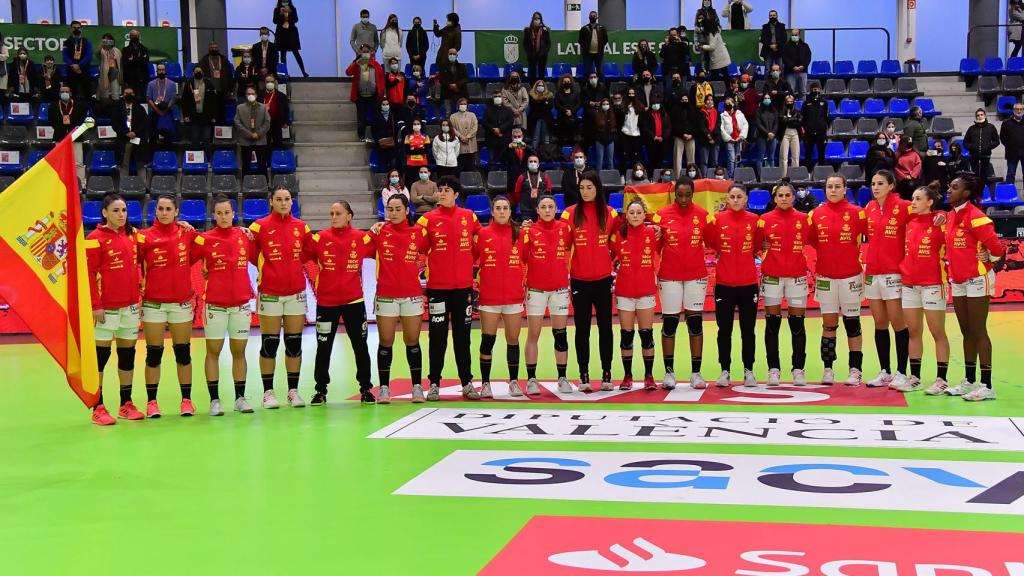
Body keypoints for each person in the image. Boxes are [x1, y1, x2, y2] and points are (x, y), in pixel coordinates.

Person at [417, 176, 482, 400]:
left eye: (447, 190)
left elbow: (478, 247)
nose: (443, 193)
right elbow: (417, 246)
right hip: (438, 290)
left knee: (463, 338)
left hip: (463, 289)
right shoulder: (426, 220)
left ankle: (467, 382)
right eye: (440, 190)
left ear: (456, 195)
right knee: (437, 337)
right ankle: (434, 382)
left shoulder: (469, 217)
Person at [304, 201, 374, 405]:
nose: (334, 217)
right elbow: (299, 254)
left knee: (360, 347)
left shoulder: (363, 238)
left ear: (349, 216)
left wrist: (380, 226)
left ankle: (366, 389)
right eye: (331, 213)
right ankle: (320, 390)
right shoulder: (320, 238)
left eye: (338, 213)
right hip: (326, 304)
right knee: (323, 348)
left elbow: (387, 242)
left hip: (354, 302)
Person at [136, 195, 198, 418]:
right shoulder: (143, 238)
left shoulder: (188, 233)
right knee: (154, 354)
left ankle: (187, 401)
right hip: (154, 304)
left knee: (183, 354)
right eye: (160, 208)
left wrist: (242, 230)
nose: (164, 212)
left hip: (181, 304)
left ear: (176, 211)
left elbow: (212, 241)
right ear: (155, 211)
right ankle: (152, 402)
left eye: (168, 209)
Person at [249, 187, 311, 409]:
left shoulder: (301, 227)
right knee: (269, 344)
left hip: (296, 293)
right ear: (271, 202)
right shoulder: (259, 226)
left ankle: (293, 391)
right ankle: (268, 393)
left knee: (294, 344)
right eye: (279, 199)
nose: (283, 203)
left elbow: (308, 251)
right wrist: (270, 271)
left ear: (291, 202)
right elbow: (249, 252)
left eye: (287, 199)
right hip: (270, 293)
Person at [193, 195, 255, 415]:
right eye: (219, 213)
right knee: (213, 351)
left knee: (239, 352)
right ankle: (214, 400)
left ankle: (240, 398)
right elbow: (183, 256)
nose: (223, 216)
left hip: (240, 305)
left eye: (227, 212)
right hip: (215, 306)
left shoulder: (245, 236)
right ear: (213, 215)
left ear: (233, 214)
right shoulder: (204, 239)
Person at [945, 175, 1004, 401]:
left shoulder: (977, 218)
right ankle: (969, 381)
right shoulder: (951, 216)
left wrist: (988, 258)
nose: (949, 190)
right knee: (966, 330)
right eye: (950, 186)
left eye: (954, 187)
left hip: (978, 278)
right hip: (958, 280)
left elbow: (998, 249)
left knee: (979, 330)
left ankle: (987, 385)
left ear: (967, 193)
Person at [86, 194, 143, 425]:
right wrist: (96, 305)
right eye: (116, 210)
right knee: (100, 359)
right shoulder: (93, 238)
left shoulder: (134, 235)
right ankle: (97, 407)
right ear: (104, 213)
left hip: (129, 307)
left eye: (124, 210)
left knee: (127, 357)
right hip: (105, 310)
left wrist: (183, 224)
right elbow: (88, 275)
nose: (121, 215)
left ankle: (125, 404)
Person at [561, 171, 619, 392]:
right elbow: (561, 243)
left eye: (589, 187)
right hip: (579, 281)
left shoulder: (610, 213)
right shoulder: (569, 214)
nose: (585, 192)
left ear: (598, 188)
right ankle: (583, 375)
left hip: (604, 281)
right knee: (582, 329)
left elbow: (619, 240)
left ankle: (607, 373)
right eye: (582, 187)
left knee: (606, 328)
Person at [652, 177, 713, 389]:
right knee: (670, 323)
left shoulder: (703, 215)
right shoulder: (661, 215)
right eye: (680, 195)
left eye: (688, 194)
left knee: (695, 323)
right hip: (669, 276)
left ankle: (696, 373)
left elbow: (715, 241)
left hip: (696, 276)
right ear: (674, 194)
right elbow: (653, 245)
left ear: (693, 194)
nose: (684, 199)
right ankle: (669, 373)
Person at [366, 195, 427, 403]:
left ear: (407, 210)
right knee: (386, 341)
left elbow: (435, 248)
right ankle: (384, 388)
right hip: (386, 296)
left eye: (397, 209)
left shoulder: (418, 232)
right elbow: (357, 246)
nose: (393, 213)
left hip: (412, 296)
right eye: (389, 209)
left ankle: (417, 387)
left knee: (412, 341)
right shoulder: (378, 231)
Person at [808, 174, 867, 386]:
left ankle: (855, 370)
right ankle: (828, 369)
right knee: (829, 324)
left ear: (845, 189)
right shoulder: (815, 214)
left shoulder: (858, 213)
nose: (832, 190)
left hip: (851, 276)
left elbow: (875, 234)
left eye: (837, 187)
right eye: (829, 186)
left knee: (852, 323)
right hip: (825, 277)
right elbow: (811, 242)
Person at [863, 170, 914, 390]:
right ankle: (885, 371)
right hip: (872, 272)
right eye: (873, 183)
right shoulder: (869, 208)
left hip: (894, 273)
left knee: (898, 323)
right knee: (880, 323)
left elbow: (925, 218)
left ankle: (902, 372)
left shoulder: (904, 207)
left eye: (880, 183)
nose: (875, 187)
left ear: (891, 185)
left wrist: (940, 215)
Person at [708, 185, 762, 386]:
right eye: (732, 197)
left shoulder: (755, 220)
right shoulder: (717, 220)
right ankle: (725, 371)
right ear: (727, 199)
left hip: (749, 284)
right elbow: (712, 243)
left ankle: (749, 370)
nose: (736, 200)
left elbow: (757, 247)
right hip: (724, 284)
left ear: (746, 199)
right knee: (724, 330)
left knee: (748, 330)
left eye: (740, 196)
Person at [901, 184, 951, 394]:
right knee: (913, 331)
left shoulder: (941, 222)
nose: (913, 202)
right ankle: (915, 378)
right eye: (912, 198)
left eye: (918, 199)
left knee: (937, 332)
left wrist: (943, 214)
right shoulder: (910, 223)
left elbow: (952, 217)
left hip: (932, 284)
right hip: (909, 285)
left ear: (929, 202)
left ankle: (942, 379)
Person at [474, 196, 527, 396]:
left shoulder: (520, 234)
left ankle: (514, 381)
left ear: (510, 211)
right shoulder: (483, 234)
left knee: (513, 339)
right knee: (488, 340)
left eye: (505, 208)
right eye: (498, 208)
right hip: (489, 298)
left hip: (514, 298)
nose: (502, 211)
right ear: (492, 211)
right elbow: (469, 257)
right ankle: (485, 383)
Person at [759, 183, 811, 386]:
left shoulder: (804, 219)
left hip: (797, 277)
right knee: (772, 323)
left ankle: (798, 369)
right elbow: (757, 243)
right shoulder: (764, 220)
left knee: (797, 324)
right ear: (775, 198)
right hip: (772, 277)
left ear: (793, 197)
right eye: (780, 195)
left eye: (787, 195)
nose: (784, 198)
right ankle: (773, 370)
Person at [523, 195, 573, 394]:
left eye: (550, 206)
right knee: (533, 334)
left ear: (556, 209)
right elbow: (521, 256)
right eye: (543, 207)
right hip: (535, 290)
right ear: (537, 210)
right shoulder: (529, 231)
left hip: (560, 289)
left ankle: (562, 378)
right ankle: (531, 380)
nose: (546, 210)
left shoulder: (565, 229)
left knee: (560, 335)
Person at [610, 199, 661, 390]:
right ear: (626, 215)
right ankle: (627, 376)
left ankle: (649, 376)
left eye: (639, 212)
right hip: (624, 292)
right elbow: (611, 254)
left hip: (646, 291)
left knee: (646, 335)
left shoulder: (653, 233)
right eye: (631, 212)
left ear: (644, 214)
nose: (635, 216)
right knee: (626, 335)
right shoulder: (618, 235)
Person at [346, 44, 385, 143]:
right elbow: (348, 72)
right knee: (361, 118)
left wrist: (381, 93)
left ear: (371, 52)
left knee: (375, 118)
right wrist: (355, 63)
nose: (366, 53)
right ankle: (361, 136)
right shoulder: (357, 64)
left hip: (373, 96)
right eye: (364, 51)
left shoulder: (376, 65)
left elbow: (381, 79)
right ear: (360, 53)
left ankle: (375, 136)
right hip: (360, 97)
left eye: (367, 51)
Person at [112, 86, 148, 178]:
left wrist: (135, 132)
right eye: (126, 93)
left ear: (134, 94)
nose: (128, 95)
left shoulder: (140, 108)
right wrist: (126, 133)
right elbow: (115, 124)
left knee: (140, 164)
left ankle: (142, 187)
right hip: (123, 139)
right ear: (123, 95)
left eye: (130, 93)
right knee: (124, 164)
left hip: (137, 139)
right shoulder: (117, 108)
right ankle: (123, 187)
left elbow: (144, 123)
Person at [235, 87, 271, 174]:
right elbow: (237, 123)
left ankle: (265, 185)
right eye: (248, 94)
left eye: (253, 94)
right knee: (246, 165)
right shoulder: (240, 108)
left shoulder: (263, 107)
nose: (251, 95)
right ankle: (245, 185)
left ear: (256, 95)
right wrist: (249, 134)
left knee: (262, 165)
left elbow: (267, 122)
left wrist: (258, 134)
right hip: (246, 141)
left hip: (260, 140)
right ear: (245, 95)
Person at [180, 66, 215, 149]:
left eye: (200, 71)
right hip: (193, 117)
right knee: (195, 139)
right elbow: (184, 101)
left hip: (206, 116)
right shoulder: (189, 83)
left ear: (202, 72)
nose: (198, 73)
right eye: (196, 71)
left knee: (207, 139)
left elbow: (213, 101)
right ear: (193, 73)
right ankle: (197, 160)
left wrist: (213, 116)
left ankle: (207, 159)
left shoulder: (208, 83)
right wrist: (185, 116)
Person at [198, 41, 232, 121]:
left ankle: (221, 130)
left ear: (218, 48)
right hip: (209, 91)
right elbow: (198, 71)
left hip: (222, 90)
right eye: (212, 48)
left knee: (222, 112)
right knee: (210, 112)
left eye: (216, 47)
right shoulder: (204, 60)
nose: (214, 49)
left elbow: (229, 75)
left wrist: (230, 89)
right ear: (209, 48)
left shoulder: (224, 59)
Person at [146, 62, 179, 145]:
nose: (161, 72)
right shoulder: (151, 84)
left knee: (169, 136)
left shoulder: (172, 84)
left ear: (165, 71)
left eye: (163, 70)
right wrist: (157, 111)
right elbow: (149, 99)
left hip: (167, 110)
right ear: (157, 71)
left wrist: (165, 110)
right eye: (159, 70)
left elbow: (173, 99)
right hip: (154, 111)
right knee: (152, 134)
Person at [964, 108, 1000, 181]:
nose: (979, 116)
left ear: (985, 116)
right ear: (975, 117)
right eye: (978, 115)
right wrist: (971, 147)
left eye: (981, 115)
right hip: (973, 156)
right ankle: (976, 192)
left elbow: (996, 141)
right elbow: (965, 142)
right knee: (975, 177)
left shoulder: (991, 127)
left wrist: (988, 147)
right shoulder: (971, 128)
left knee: (984, 177)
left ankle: (983, 191)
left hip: (986, 156)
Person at [514, 154, 553, 221]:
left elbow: (549, 191)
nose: (533, 163)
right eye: (531, 161)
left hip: (541, 209)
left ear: (538, 164)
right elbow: (517, 192)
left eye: (535, 161)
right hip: (526, 210)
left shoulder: (545, 176)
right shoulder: (522, 177)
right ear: (527, 164)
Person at [696, 11, 732, 80]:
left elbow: (712, 47)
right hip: (719, 57)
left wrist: (702, 46)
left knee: (717, 77)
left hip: (718, 58)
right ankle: (727, 89)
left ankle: (724, 89)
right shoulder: (713, 31)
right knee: (724, 75)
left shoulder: (711, 33)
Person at [719, 95, 748, 178]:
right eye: (727, 103)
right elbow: (721, 128)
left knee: (737, 158)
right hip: (729, 140)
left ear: (733, 104)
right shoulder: (722, 115)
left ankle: (737, 176)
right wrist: (728, 138)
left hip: (738, 139)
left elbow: (745, 125)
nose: (728, 105)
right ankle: (731, 176)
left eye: (730, 103)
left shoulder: (740, 114)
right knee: (731, 158)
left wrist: (741, 136)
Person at [641, 97, 672, 174]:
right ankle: (651, 176)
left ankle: (660, 177)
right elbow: (645, 127)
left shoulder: (665, 115)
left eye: (657, 104)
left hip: (662, 141)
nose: (656, 105)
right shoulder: (647, 115)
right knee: (651, 160)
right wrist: (653, 136)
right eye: (654, 104)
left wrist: (663, 137)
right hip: (651, 141)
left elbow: (668, 127)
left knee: (661, 160)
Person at [62, 21, 92, 100]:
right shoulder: (66, 42)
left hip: (84, 70)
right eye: (74, 28)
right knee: (72, 92)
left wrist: (79, 65)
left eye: (78, 28)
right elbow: (65, 56)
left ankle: (88, 110)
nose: (76, 29)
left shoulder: (87, 41)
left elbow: (89, 55)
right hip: (71, 70)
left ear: (81, 29)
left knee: (87, 92)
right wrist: (72, 65)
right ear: (71, 29)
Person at [752, 93, 778, 181]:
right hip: (761, 136)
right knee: (760, 157)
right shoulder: (759, 111)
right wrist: (767, 133)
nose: (767, 99)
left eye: (768, 98)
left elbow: (776, 123)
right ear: (762, 100)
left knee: (771, 157)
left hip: (773, 137)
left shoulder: (774, 110)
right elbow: (758, 124)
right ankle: (760, 176)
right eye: (765, 98)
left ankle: (771, 177)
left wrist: (773, 133)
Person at [484, 91, 515, 166]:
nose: (497, 98)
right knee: (492, 163)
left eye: (499, 96)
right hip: (492, 140)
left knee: (505, 163)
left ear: (502, 98)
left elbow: (510, 121)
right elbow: (485, 123)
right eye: (495, 96)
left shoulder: (508, 110)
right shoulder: (488, 110)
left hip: (505, 141)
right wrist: (493, 130)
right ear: (492, 98)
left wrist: (500, 129)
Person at [801, 83, 828, 170]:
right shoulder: (806, 103)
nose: (815, 90)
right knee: (808, 154)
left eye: (817, 89)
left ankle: (821, 172)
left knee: (821, 153)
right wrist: (806, 128)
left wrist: (823, 127)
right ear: (810, 90)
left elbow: (826, 116)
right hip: (809, 133)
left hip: (821, 132)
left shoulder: (824, 102)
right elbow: (803, 117)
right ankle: (808, 172)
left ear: (819, 89)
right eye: (814, 89)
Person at [670, 93, 697, 176]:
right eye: (683, 100)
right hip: (679, 137)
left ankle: (691, 176)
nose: (684, 101)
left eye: (686, 100)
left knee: (691, 159)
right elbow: (673, 125)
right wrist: (682, 134)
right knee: (677, 158)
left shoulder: (693, 110)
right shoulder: (675, 111)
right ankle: (677, 177)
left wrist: (691, 135)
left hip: (691, 137)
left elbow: (696, 124)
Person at [371, 98, 400, 171]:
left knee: (393, 164)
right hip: (381, 145)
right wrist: (378, 140)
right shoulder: (376, 116)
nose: (385, 106)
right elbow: (374, 130)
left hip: (392, 144)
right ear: (380, 106)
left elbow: (396, 130)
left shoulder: (393, 116)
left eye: (387, 104)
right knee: (383, 164)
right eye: (383, 104)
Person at [450, 98, 479, 172]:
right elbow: (452, 128)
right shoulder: (453, 116)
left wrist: (468, 136)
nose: (463, 105)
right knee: (459, 167)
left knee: (470, 167)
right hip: (459, 143)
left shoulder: (472, 115)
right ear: (458, 105)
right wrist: (461, 136)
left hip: (470, 143)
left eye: (464, 104)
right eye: (461, 104)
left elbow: (475, 127)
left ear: (467, 106)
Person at [262, 74, 290, 150]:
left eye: (272, 81)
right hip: (263, 124)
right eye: (268, 81)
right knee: (264, 147)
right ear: (265, 82)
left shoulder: (281, 95)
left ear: (275, 83)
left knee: (278, 145)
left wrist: (286, 122)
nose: (270, 83)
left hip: (276, 123)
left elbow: (286, 110)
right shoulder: (259, 95)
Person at [439, 48, 468, 119]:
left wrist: (456, 85)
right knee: (448, 113)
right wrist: (450, 85)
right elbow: (441, 79)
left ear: (457, 55)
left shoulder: (462, 66)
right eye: (450, 54)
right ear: (447, 55)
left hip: (459, 92)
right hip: (447, 93)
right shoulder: (443, 66)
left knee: (461, 114)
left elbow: (465, 79)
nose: (452, 55)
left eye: (454, 54)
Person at [620, 91, 644, 178]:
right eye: (629, 94)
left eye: (633, 94)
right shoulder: (623, 106)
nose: (631, 95)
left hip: (636, 134)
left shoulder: (640, 107)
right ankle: (622, 176)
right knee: (624, 156)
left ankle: (636, 177)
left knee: (636, 157)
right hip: (625, 133)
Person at [578, 11, 608, 79]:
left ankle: (602, 87)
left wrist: (600, 46)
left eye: (594, 16)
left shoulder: (602, 28)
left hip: (599, 53)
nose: (592, 17)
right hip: (587, 54)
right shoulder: (584, 28)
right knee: (587, 72)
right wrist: (585, 47)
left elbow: (605, 40)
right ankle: (585, 87)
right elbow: (580, 41)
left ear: (597, 17)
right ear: (589, 17)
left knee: (599, 71)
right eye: (591, 16)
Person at [590, 98, 618, 171]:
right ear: (601, 105)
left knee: (610, 161)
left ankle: (611, 179)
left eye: (607, 104)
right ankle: (598, 179)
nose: (606, 105)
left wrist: (613, 137)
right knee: (599, 161)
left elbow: (614, 128)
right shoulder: (596, 115)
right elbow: (594, 129)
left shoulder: (613, 115)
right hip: (600, 140)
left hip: (610, 140)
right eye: (604, 104)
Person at [660, 26, 691, 92]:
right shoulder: (666, 45)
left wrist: (681, 42)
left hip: (681, 71)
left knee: (682, 90)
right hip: (669, 71)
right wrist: (666, 45)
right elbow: (662, 55)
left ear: (678, 35)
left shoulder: (682, 44)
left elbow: (687, 53)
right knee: (668, 89)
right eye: (671, 35)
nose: (673, 37)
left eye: (674, 35)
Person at [122, 30, 150, 100]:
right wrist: (139, 59)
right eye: (133, 36)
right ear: (130, 37)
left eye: (136, 36)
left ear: (139, 37)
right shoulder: (125, 50)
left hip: (142, 77)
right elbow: (125, 63)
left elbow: (145, 61)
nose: (135, 37)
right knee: (130, 98)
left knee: (143, 98)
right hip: (130, 78)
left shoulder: (144, 49)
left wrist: (132, 60)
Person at [782, 30, 810, 97]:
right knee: (790, 92)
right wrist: (792, 67)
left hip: (802, 72)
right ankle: (790, 106)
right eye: (792, 35)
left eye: (795, 35)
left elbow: (808, 57)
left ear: (799, 35)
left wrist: (803, 66)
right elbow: (784, 58)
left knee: (803, 92)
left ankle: (802, 107)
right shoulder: (786, 46)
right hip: (790, 72)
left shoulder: (805, 46)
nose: (794, 36)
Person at [524, 12, 551, 83]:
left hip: (542, 55)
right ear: (532, 19)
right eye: (535, 18)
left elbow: (548, 43)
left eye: (538, 18)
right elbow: (525, 43)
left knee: (541, 74)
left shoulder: (545, 30)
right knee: (532, 74)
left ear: (541, 19)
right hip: (532, 55)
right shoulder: (528, 30)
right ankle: (532, 90)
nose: (537, 20)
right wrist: (529, 53)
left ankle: (541, 90)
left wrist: (545, 52)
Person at [554, 74, 581, 146]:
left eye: (568, 81)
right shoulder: (558, 93)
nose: (566, 83)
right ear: (562, 83)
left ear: (571, 82)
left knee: (572, 137)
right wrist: (565, 111)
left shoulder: (575, 93)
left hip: (572, 117)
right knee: (561, 139)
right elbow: (557, 104)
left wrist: (571, 111)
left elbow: (578, 104)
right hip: (561, 117)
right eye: (565, 81)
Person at [96, 33, 123, 105]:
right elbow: (97, 53)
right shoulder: (101, 50)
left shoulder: (117, 50)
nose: (107, 41)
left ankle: (115, 110)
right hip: (104, 74)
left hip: (115, 74)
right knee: (104, 94)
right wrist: (102, 44)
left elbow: (120, 63)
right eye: (105, 40)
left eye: (109, 40)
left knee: (115, 95)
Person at [1001, 102, 1024, 185]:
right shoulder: (1006, 123)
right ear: (1013, 110)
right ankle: (1008, 195)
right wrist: (1009, 146)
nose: (1019, 111)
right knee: (1010, 175)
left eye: (1021, 109)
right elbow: (1002, 138)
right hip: (1011, 153)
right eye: (1017, 109)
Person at [696, 94, 720, 174]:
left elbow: (718, 125)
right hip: (704, 140)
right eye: (708, 100)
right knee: (704, 161)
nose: (710, 101)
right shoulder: (700, 112)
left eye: (711, 100)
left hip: (715, 140)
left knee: (715, 161)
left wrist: (713, 137)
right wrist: (708, 136)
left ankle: (713, 178)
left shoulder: (717, 112)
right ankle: (704, 177)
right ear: (705, 101)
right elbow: (701, 126)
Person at [779, 94, 801, 176]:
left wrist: (788, 120)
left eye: (791, 101)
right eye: (788, 101)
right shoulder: (782, 111)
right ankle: (783, 176)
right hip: (785, 133)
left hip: (795, 133)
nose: (789, 103)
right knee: (784, 157)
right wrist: (793, 119)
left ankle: (795, 175)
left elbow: (799, 122)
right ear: (785, 102)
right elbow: (783, 121)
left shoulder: (797, 111)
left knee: (795, 157)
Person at [528, 79, 553, 151]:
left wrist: (539, 103)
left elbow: (550, 107)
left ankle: (547, 154)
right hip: (535, 119)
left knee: (546, 139)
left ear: (545, 87)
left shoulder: (549, 95)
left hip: (547, 119)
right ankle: (534, 154)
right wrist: (544, 102)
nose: (540, 87)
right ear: (535, 87)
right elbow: (533, 106)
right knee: (535, 138)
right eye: (539, 85)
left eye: (542, 85)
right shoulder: (531, 95)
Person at [403, 118, 430, 185]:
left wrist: (413, 149)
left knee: (424, 183)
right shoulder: (408, 137)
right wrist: (420, 149)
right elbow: (407, 151)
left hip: (422, 164)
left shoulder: (425, 136)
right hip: (411, 164)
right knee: (409, 183)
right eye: (414, 124)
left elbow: (426, 151)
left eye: (418, 124)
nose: (416, 125)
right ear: (412, 126)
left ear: (421, 125)